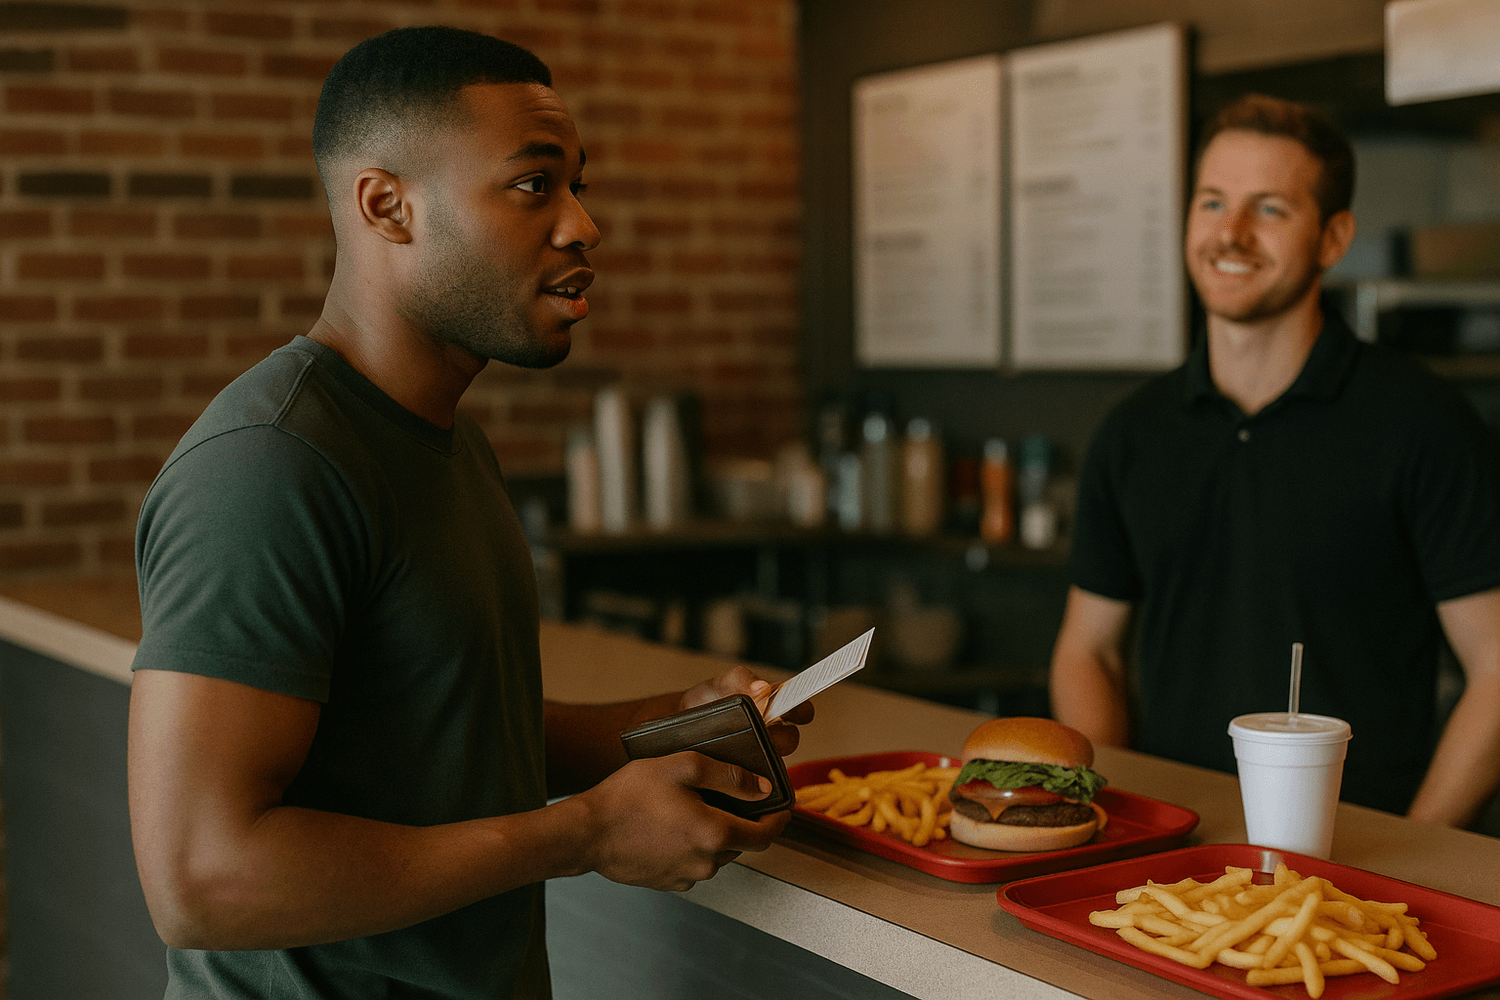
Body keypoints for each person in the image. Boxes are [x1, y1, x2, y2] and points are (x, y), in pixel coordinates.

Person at [126, 26, 810, 1000]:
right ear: (387, 207)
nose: (583, 225)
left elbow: (434, 731)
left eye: (579, 183)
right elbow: (203, 878)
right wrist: (587, 831)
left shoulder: (448, 441)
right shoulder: (270, 466)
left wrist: (666, 723)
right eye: (535, 185)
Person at [1049, 93, 1500, 827]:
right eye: (1212, 202)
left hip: (1360, 861)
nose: (1229, 233)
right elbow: (1088, 652)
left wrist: (1420, 849)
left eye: (1269, 210)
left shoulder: (1424, 422)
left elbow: (1498, 669)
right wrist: (1116, 815)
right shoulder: (1133, 432)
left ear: (1333, 237)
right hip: (1168, 857)